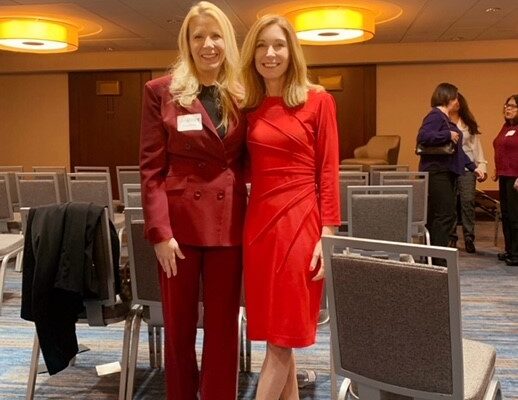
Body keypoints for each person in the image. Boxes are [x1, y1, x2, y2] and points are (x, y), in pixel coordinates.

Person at [139, 2, 247, 399]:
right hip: (177, 229)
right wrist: (159, 232)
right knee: (179, 327)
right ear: (186, 42)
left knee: (223, 329)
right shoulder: (160, 91)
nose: (208, 44)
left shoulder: (243, 91)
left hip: (228, 222)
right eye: (198, 36)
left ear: (227, 42)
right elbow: (151, 168)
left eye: (216, 35)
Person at [241, 15, 340, 399]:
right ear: (253, 54)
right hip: (259, 227)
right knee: (274, 335)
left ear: (291, 51)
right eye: (262, 46)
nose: (270, 53)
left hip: (301, 225)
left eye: (278, 45)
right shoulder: (249, 106)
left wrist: (326, 234)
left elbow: (329, 172)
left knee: (282, 340)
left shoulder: (318, 100)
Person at [416, 83, 484, 257]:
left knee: (440, 215)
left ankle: (433, 256)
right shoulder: (436, 115)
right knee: (444, 215)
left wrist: (473, 167)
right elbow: (423, 136)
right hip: (438, 172)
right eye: (455, 97)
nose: (457, 101)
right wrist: (447, 135)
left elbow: (457, 151)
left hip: (444, 172)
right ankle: (438, 258)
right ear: (446, 98)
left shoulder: (444, 118)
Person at [448, 92, 487, 253]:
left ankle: (469, 237)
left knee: (468, 201)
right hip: (449, 167)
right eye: (452, 100)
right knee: (450, 203)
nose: (456, 103)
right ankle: (451, 237)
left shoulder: (468, 123)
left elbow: (476, 147)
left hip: (468, 167)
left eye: (458, 100)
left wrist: (482, 167)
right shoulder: (443, 119)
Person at [493, 94, 518, 266]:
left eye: (512, 106)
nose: (507, 109)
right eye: (506, 105)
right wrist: (497, 168)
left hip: (516, 178)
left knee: (516, 217)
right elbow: (501, 148)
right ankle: (510, 249)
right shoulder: (505, 127)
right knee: (507, 215)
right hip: (504, 176)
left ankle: (517, 253)